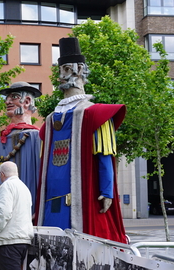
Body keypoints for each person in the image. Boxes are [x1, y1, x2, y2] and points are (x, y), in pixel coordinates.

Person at [36, 37, 127, 244]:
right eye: (61, 69)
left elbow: (105, 157)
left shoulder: (96, 114)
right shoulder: (51, 120)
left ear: (80, 70)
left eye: (67, 69)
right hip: (50, 202)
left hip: (83, 200)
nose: (61, 75)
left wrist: (106, 190)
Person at [0, 82, 41, 213]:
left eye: (13, 97)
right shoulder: (1, 137)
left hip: (27, 208)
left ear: (27, 101)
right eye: (7, 98)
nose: (8, 101)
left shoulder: (35, 136)